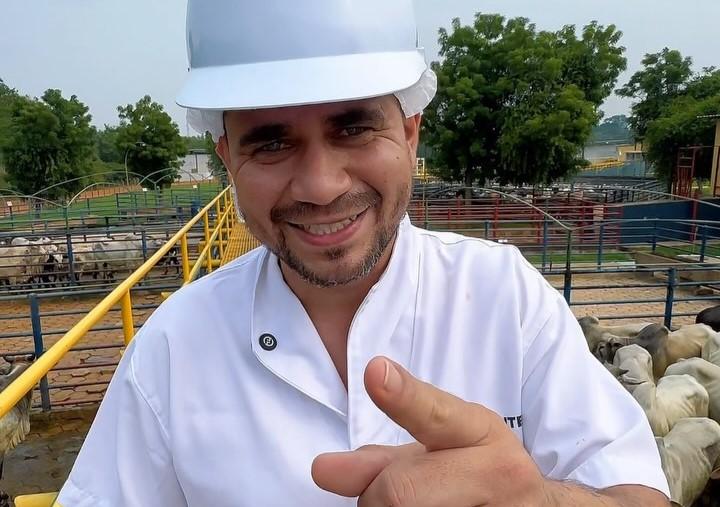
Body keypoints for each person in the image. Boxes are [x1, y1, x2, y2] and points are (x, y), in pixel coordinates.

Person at [56, 1, 671, 505]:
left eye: (353, 128)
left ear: (410, 131)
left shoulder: (505, 297)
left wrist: (542, 501)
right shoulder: (173, 347)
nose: (321, 186)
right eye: (271, 143)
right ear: (228, 159)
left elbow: (635, 492)